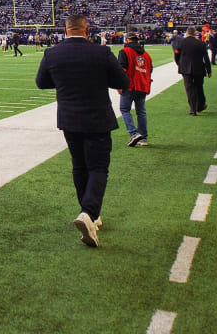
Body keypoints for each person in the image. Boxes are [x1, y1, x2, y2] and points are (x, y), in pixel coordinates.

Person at [36, 14, 129, 248]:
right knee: (98, 167)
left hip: (69, 119)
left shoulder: (52, 53)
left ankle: (90, 214)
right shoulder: (101, 52)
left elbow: (42, 82)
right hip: (97, 118)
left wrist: (65, 81)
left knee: (79, 166)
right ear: (87, 30)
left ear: (65, 30)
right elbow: (123, 81)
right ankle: (88, 212)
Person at [118, 33, 153, 147]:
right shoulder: (146, 54)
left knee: (124, 109)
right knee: (141, 112)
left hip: (130, 85)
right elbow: (150, 69)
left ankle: (134, 133)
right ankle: (143, 137)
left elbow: (122, 70)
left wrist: (119, 85)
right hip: (143, 85)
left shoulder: (125, 51)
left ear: (127, 40)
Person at [175, 27, 212, 115]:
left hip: (185, 69)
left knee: (189, 89)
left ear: (187, 33)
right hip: (199, 69)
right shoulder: (201, 43)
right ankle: (200, 106)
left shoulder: (181, 42)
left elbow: (176, 55)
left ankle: (193, 109)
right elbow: (206, 58)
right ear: (195, 33)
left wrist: (179, 64)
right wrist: (209, 70)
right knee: (199, 87)